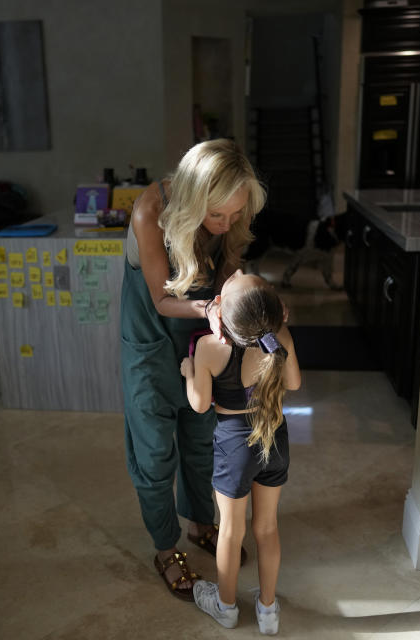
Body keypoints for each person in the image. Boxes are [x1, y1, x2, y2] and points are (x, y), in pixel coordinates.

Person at [121, 138, 266, 600]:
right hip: (150, 341)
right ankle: (165, 548)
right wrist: (215, 310)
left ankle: (201, 521)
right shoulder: (150, 212)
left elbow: (230, 272)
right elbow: (163, 300)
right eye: (217, 215)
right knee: (155, 454)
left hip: (200, 334)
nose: (226, 225)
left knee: (203, 437)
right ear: (193, 196)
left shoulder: (230, 216)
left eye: (235, 215)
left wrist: (248, 304)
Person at [179, 269, 300, 634]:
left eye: (236, 280)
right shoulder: (278, 337)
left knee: (231, 532)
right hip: (274, 438)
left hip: (234, 446)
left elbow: (200, 405)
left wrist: (189, 372)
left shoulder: (209, 347)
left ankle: (226, 606)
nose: (237, 271)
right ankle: (267, 610)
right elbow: (294, 382)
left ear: (223, 312)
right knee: (266, 528)